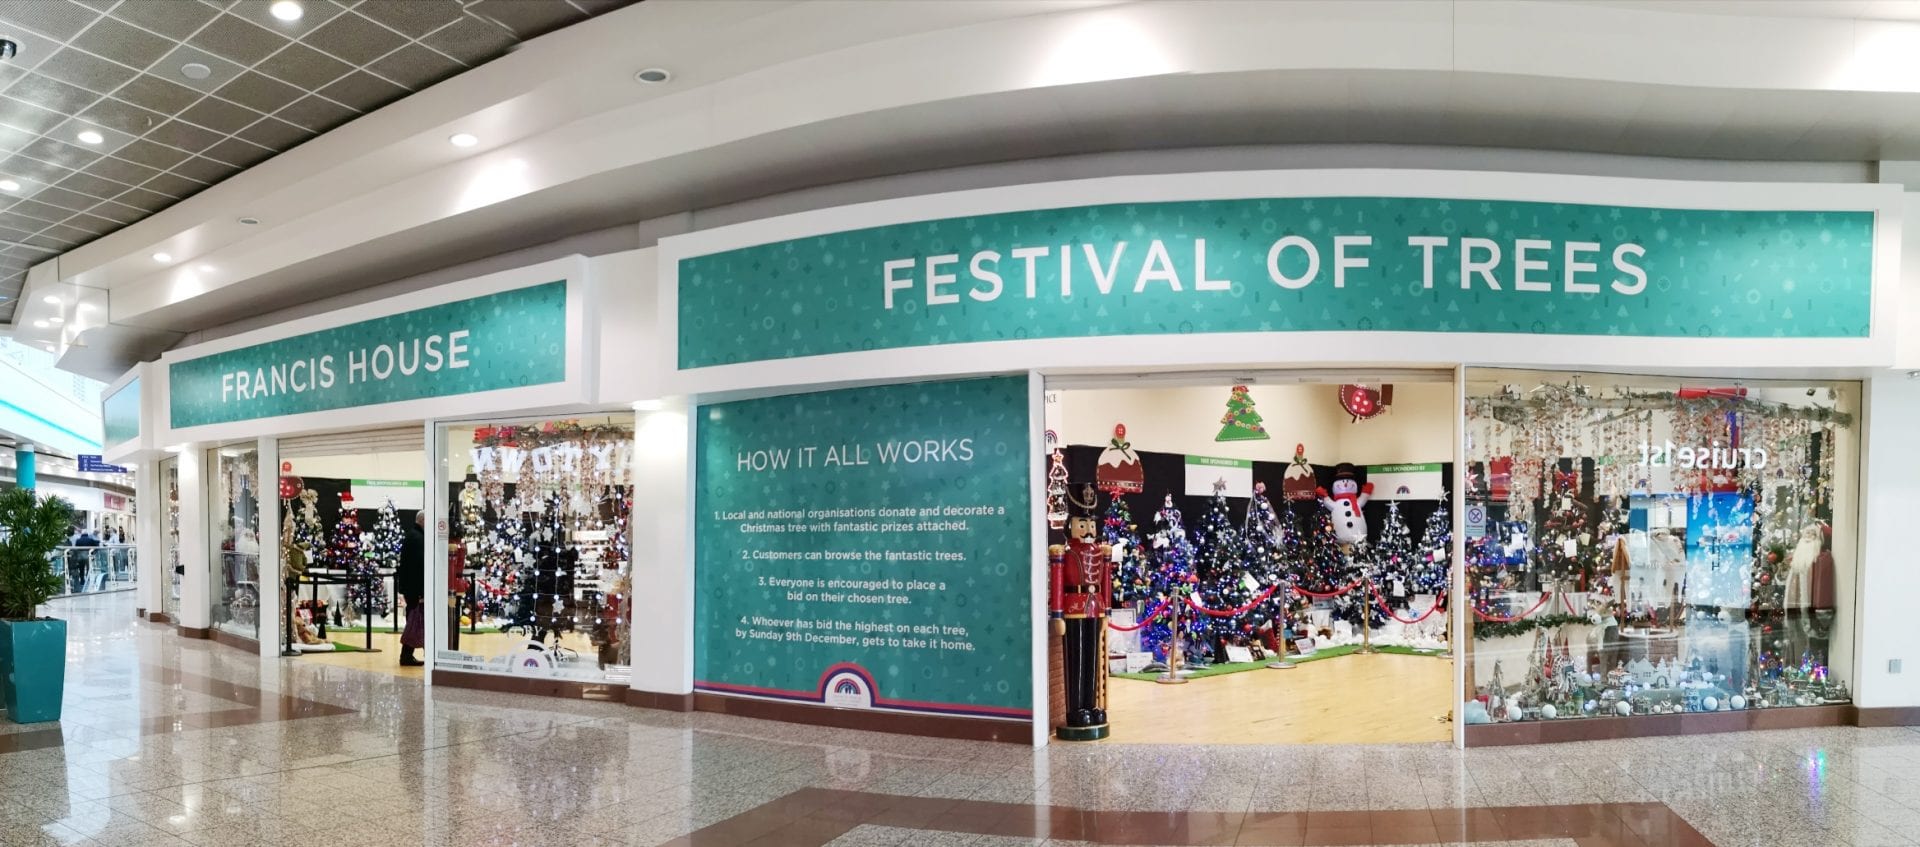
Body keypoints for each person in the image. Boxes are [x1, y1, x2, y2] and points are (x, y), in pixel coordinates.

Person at [397, 512, 426, 666]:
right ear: (423, 521)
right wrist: (422, 590)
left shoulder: (413, 536)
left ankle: (407, 655)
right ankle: (406, 656)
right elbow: (419, 567)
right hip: (415, 588)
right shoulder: (418, 539)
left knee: (413, 621)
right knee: (414, 621)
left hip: (411, 587)